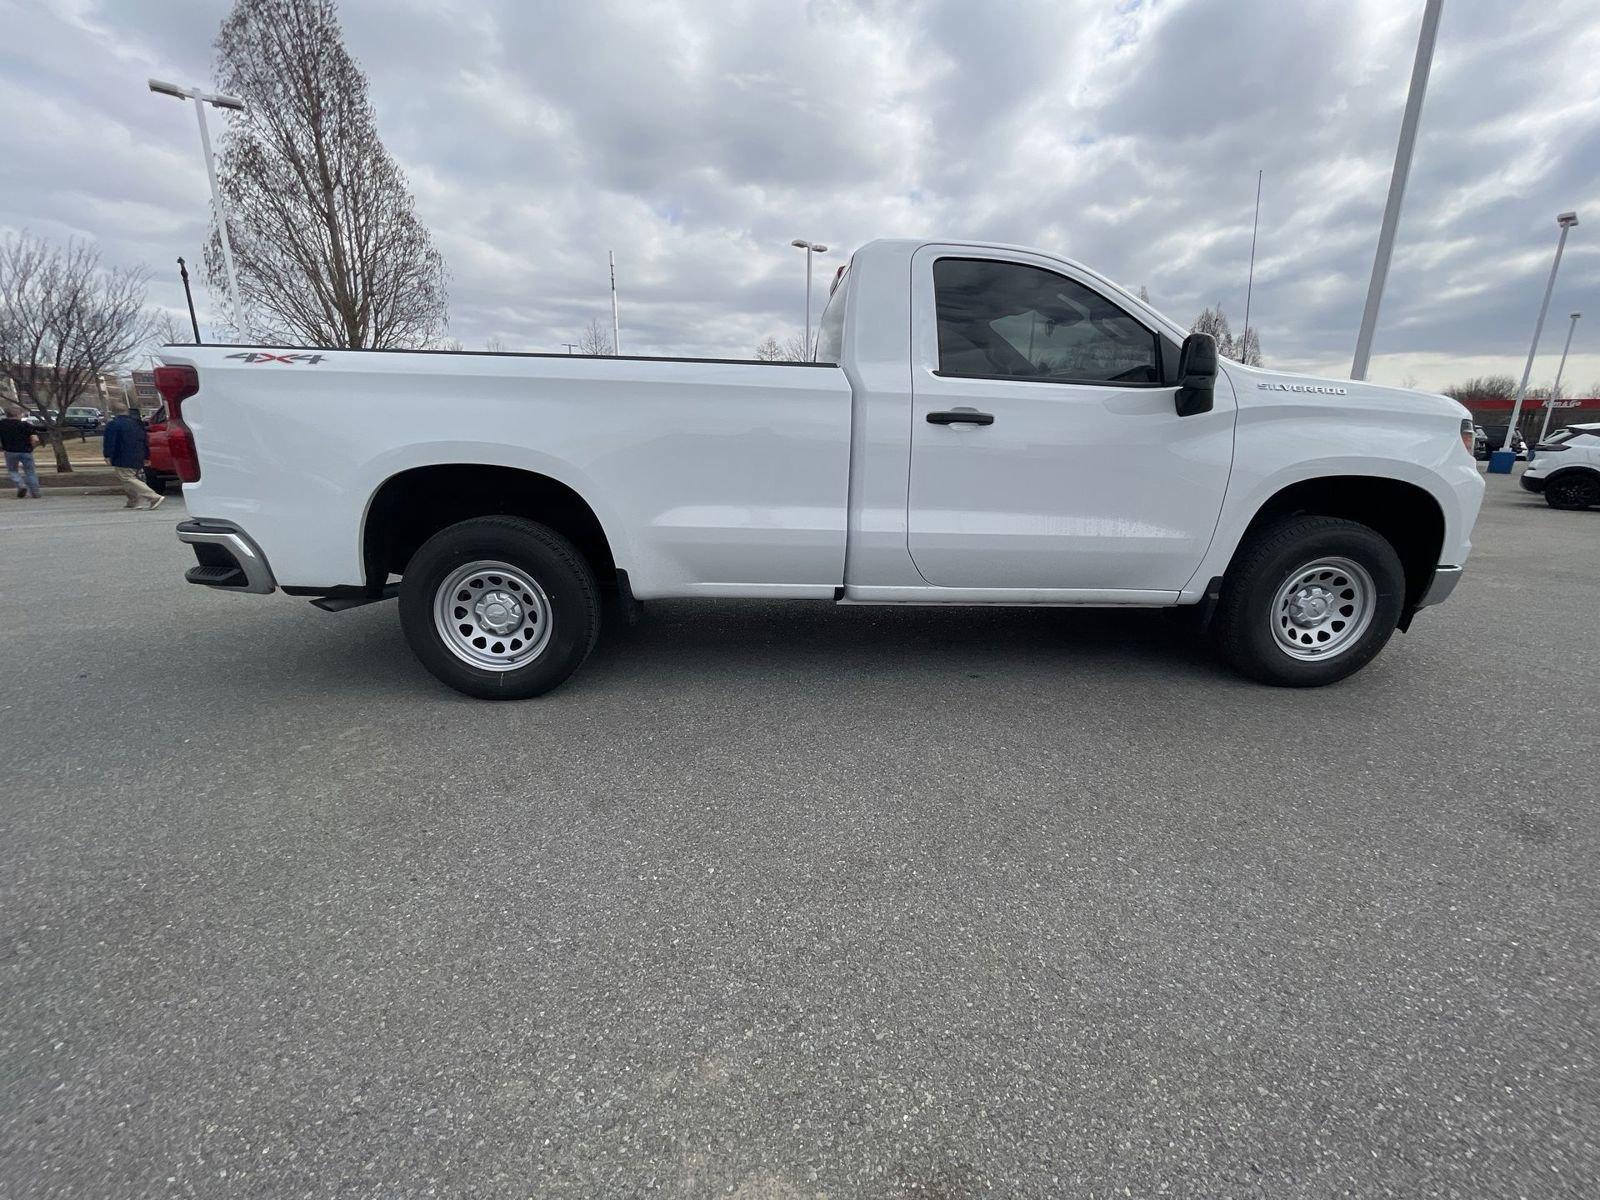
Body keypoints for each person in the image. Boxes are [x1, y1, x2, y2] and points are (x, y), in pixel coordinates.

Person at [102, 399, 163, 510]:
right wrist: (146, 456)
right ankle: (133, 501)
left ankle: (153, 497)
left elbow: (110, 441)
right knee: (131, 478)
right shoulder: (137, 424)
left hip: (122, 456)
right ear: (127, 411)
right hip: (138, 454)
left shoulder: (113, 425)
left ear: (113, 411)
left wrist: (107, 455)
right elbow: (145, 440)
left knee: (127, 478)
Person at [2, 402, 43, 499]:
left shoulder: (2, 424)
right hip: (26, 451)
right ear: (18, 414)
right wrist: (32, 447)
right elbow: (35, 439)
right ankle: (35, 492)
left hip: (10, 451)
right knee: (30, 471)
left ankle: (21, 485)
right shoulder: (26, 425)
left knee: (13, 470)